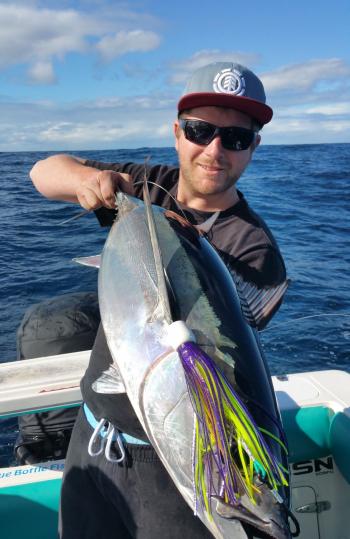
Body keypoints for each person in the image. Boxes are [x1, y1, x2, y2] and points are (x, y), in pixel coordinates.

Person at [30, 62, 289, 539]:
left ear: (253, 148)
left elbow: (229, 375)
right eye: (200, 130)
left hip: (177, 465)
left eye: (234, 138)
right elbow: (43, 172)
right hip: (93, 435)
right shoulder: (145, 183)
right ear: (177, 133)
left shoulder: (255, 250)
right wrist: (88, 181)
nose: (214, 150)